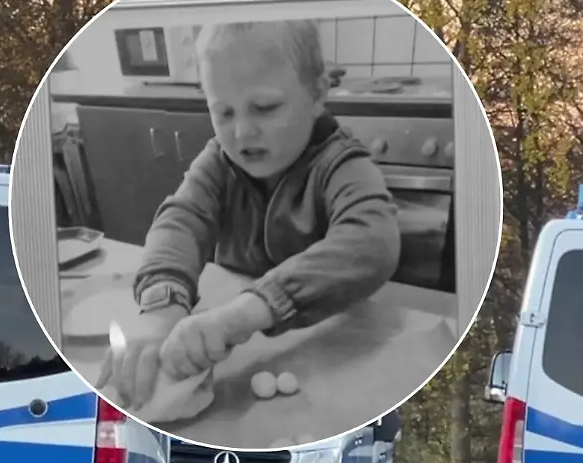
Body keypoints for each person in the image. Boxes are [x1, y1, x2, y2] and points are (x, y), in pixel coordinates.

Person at [97, 19, 401, 410]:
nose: (242, 132)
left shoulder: (341, 164)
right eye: (223, 112)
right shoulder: (219, 162)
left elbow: (372, 240)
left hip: (333, 354)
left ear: (317, 94)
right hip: (241, 354)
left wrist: (249, 311)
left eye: (264, 108)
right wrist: (162, 306)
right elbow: (181, 219)